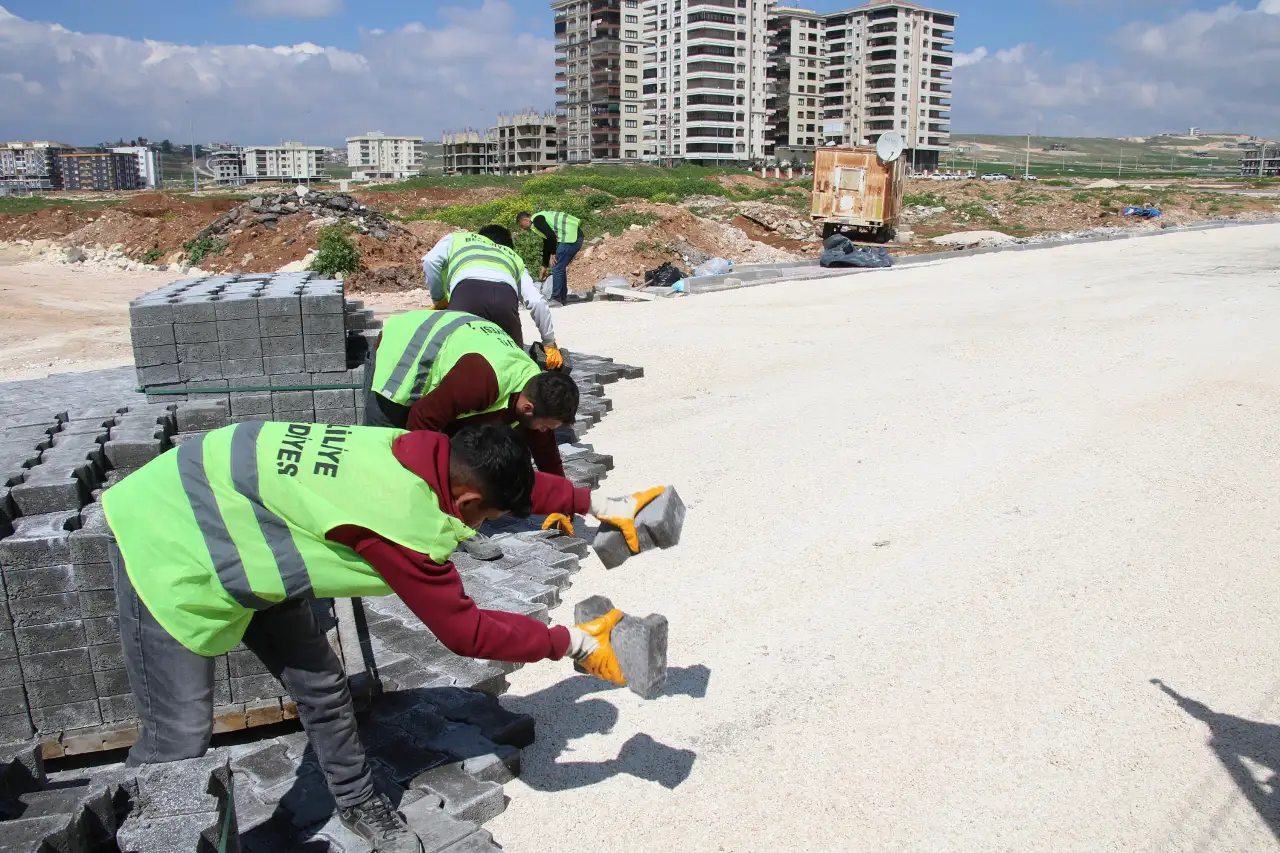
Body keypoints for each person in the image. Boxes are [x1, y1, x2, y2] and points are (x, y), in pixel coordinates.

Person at [102, 421, 664, 852]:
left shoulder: (420, 450)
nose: (481, 529)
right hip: (170, 537)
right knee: (178, 736)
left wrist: (602, 504)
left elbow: (507, 480)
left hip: (248, 520)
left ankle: (358, 800)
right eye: (485, 519)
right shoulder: (401, 522)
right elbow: (465, 632)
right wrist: (577, 644)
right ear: (466, 503)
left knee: (322, 685)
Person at [362, 310, 577, 477]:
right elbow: (421, 420)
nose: (544, 432)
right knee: (385, 453)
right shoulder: (481, 381)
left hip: (456, 347)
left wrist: (563, 503)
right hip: (404, 347)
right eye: (545, 427)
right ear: (528, 409)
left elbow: (545, 451)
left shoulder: (534, 389)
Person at [422, 225, 562, 366]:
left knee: (455, 362)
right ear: (507, 245)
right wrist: (549, 344)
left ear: (480, 236)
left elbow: (430, 262)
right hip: (504, 301)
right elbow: (536, 301)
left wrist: (439, 299)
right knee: (514, 366)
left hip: (465, 295)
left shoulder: (457, 238)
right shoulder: (513, 257)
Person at [516, 210, 583, 306]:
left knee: (557, 266)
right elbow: (547, 243)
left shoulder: (537, 220)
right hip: (573, 236)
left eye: (521, 225)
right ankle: (562, 297)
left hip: (571, 238)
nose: (522, 228)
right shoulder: (538, 221)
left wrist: (553, 253)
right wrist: (544, 266)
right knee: (559, 266)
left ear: (526, 219)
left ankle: (556, 299)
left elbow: (551, 236)